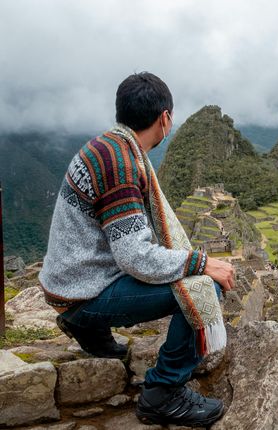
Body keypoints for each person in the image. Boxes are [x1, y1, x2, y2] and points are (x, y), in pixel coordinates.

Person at [39, 72, 235, 427]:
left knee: (191, 275)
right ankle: (164, 391)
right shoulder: (121, 164)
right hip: (83, 292)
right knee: (204, 288)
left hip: (68, 282)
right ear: (165, 118)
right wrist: (202, 263)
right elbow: (135, 257)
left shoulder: (106, 146)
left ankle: (88, 330)